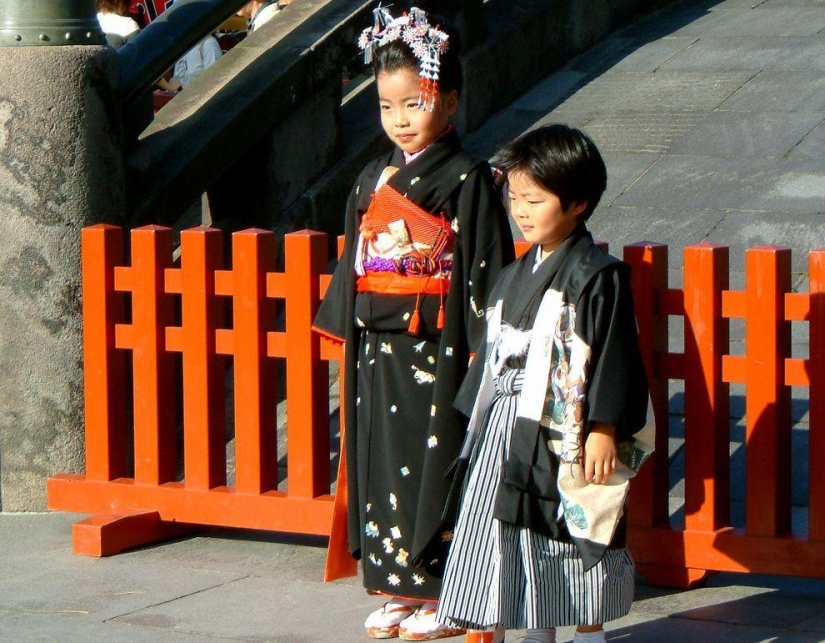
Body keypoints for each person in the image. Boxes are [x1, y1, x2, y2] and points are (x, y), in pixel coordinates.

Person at [312, 6, 514, 641]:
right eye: (386, 106)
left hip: (439, 343)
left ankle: (443, 590)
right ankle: (395, 584)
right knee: (378, 459)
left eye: (415, 103)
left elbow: (485, 263)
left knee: (436, 459)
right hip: (379, 345)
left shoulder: (467, 178)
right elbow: (355, 254)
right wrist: (348, 318)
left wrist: (486, 345)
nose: (400, 120)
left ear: (450, 101)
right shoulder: (373, 177)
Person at [435, 124, 655, 643]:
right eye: (515, 198)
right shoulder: (516, 273)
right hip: (509, 420)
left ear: (577, 202)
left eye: (535, 199)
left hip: (566, 425)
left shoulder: (597, 275)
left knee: (574, 523)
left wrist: (604, 426)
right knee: (512, 525)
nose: (521, 211)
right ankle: (536, 625)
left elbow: (614, 354)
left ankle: (589, 629)